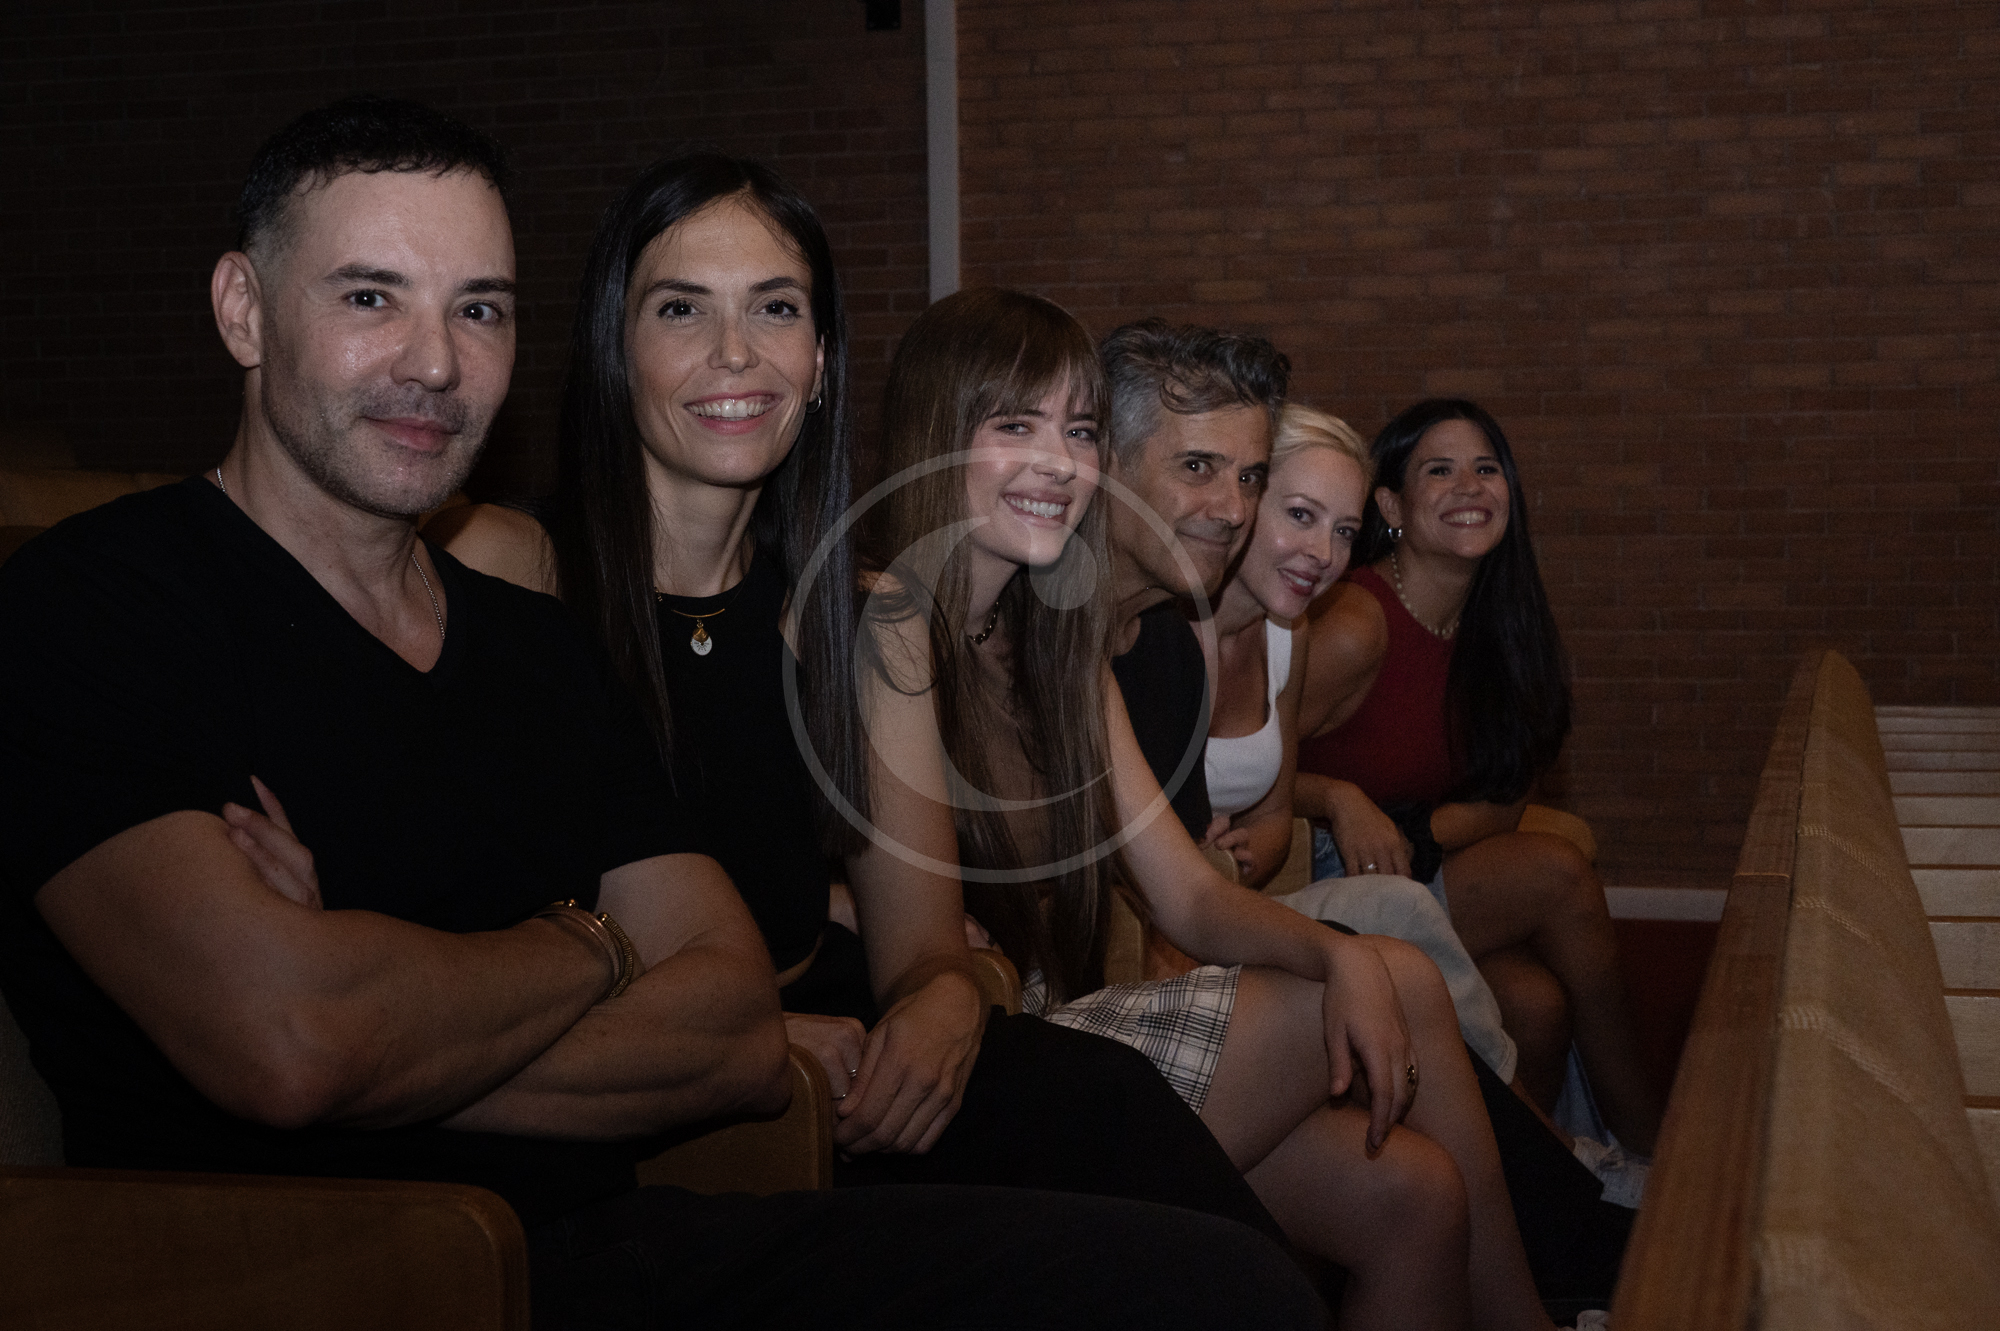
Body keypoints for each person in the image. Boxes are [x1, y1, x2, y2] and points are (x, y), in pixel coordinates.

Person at [0, 97, 1332, 1331]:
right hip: (363, 1264)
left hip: (636, 1215)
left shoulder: (518, 641)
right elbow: (296, 1043)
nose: (434, 360)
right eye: (369, 296)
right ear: (242, 308)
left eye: (478, 309)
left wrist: (425, 967)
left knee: (1223, 1275)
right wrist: (595, 949)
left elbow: (735, 1022)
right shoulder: (89, 604)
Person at [431, 151, 1287, 1229]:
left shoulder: (861, 612)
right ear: (615, 348)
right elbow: (438, 933)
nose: (735, 350)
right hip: (645, 1125)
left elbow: (923, 950)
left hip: (859, 1076)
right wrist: (746, 1035)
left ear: (821, 360)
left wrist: (941, 1002)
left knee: (1156, 1159)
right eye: (682, 308)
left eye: (775, 308)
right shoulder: (504, 564)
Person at [856, 288, 1568, 1331]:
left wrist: (1333, 955)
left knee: (1414, 1196)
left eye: (1077, 433)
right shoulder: (881, 613)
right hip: (966, 1066)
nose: (1234, 509)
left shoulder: (1054, 640)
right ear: (940, 430)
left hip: (1042, 1019)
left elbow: (1187, 891)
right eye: (1018, 427)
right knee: (1391, 976)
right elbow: (902, 948)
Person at [1296, 397, 1662, 1153]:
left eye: (1486, 468)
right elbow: (1237, 762)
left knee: (1537, 1004)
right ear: (1390, 506)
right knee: (1559, 872)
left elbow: (1503, 802)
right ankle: (1648, 1141)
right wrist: (1338, 797)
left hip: (1410, 857)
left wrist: (1414, 829)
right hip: (1320, 869)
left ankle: (1539, 1191)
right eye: (1440, 470)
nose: (1469, 486)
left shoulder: (1499, 627)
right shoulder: (1358, 623)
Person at [1197, 403, 1519, 1087]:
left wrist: (1234, 864)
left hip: (1237, 894)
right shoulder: (1171, 632)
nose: (1323, 554)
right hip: (1207, 904)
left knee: (1524, 993)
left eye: (1343, 531)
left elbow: (1270, 818)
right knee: (1407, 935)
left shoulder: (1289, 631)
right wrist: (1338, 801)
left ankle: (1562, 1138)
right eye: (1301, 515)